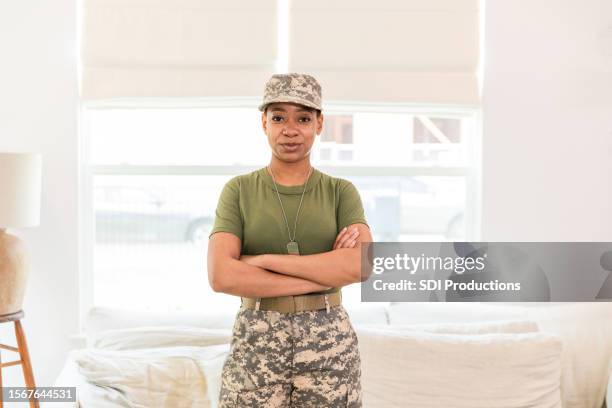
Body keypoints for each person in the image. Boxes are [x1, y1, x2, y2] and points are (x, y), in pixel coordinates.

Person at [207, 73, 372, 407]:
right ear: (264, 123)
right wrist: (323, 273)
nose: (290, 129)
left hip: (329, 341)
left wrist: (262, 263)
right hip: (257, 337)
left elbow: (362, 265)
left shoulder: (340, 192)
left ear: (320, 123)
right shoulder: (239, 191)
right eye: (278, 117)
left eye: (304, 118)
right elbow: (222, 275)